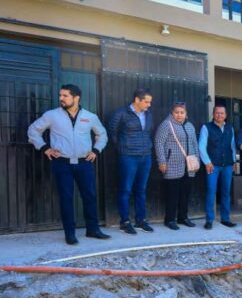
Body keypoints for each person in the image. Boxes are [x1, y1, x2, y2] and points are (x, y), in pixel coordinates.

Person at [27, 84, 110, 245]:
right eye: (60, 95)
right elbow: (33, 130)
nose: (61, 98)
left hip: (84, 163)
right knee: (66, 198)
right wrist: (44, 148)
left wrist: (96, 150)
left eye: (65, 96)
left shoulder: (90, 116)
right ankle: (70, 233)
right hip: (62, 164)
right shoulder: (52, 115)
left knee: (90, 196)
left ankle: (93, 229)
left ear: (76, 98)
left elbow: (102, 134)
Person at [108, 88, 154, 235]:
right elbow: (112, 134)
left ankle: (141, 220)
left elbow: (148, 133)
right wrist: (124, 148)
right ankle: (125, 222)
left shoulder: (148, 114)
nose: (149, 105)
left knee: (141, 189)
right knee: (126, 189)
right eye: (146, 102)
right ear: (137, 100)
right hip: (128, 157)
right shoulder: (121, 114)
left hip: (145, 156)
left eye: (150, 102)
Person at [154, 102, 199, 230]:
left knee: (185, 193)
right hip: (172, 164)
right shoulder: (166, 124)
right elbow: (158, 143)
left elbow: (195, 144)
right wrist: (162, 161)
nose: (179, 115)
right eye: (176, 112)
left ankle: (183, 217)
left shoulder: (190, 126)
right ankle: (170, 219)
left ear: (186, 114)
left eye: (182, 112)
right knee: (172, 194)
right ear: (172, 113)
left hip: (188, 166)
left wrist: (197, 161)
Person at [199, 105, 237, 230]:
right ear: (213, 114)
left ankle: (225, 219)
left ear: (226, 115)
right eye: (217, 113)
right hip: (213, 165)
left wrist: (234, 161)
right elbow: (201, 146)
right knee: (211, 191)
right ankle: (209, 220)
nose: (219, 115)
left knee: (226, 192)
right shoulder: (206, 127)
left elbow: (232, 146)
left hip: (227, 165)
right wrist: (207, 162)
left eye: (222, 113)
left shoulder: (230, 128)